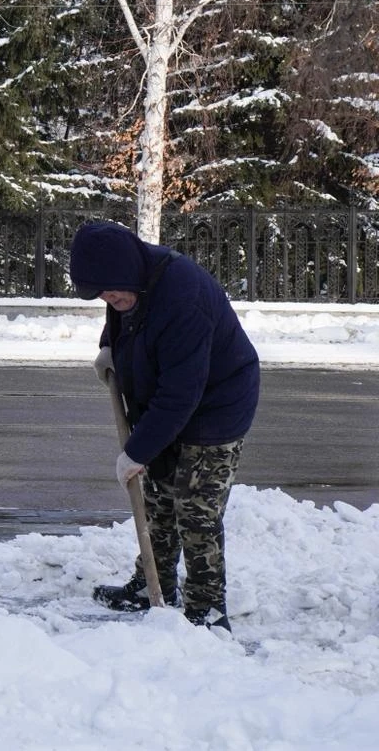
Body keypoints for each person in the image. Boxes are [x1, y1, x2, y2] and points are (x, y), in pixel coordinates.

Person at [69, 221, 260, 632]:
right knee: (158, 499)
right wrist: (109, 345)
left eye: (111, 292)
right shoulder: (131, 281)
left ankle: (207, 611)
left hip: (216, 406)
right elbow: (126, 317)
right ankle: (152, 586)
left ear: (126, 273)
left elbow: (180, 395)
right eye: (102, 295)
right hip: (167, 396)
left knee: (195, 511)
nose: (109, 300)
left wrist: (137, 451)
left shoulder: (183, 298)